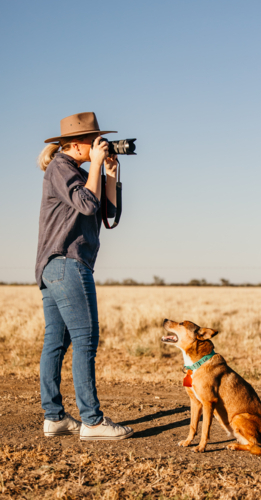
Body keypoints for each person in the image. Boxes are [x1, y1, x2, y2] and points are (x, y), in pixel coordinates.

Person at [36, 112, 133, 441]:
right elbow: (87, 205)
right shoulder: (61, 167)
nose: (99, 146)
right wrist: (94, 166)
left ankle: (55, 418)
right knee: (84, 341)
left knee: (57, 342)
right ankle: (92, 421)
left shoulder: (75, 171)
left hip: (55, 267)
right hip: (67, 263)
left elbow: (109, 214)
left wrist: (109, 175)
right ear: (77, 145)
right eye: (94, 142)